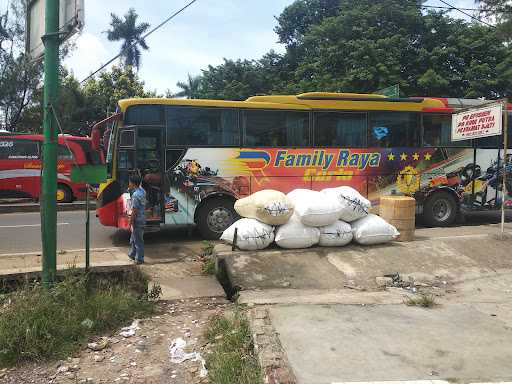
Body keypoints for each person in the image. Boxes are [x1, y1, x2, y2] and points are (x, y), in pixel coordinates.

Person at [128, 174, 146, 264]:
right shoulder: (142, 191)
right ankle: (132, 254)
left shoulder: (135, 195)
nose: (129, 183)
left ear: (133, 183)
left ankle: (139, 259)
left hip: (137, 220)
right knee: (134, 238)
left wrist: (130, 222)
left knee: (138, 241)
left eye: (130, 182)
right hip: (142, 219)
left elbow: (134, 211)